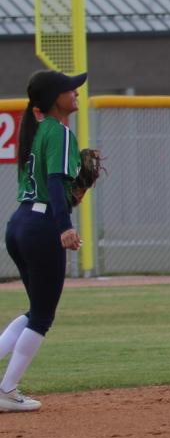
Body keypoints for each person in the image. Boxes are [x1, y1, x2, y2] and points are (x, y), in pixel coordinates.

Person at [2, 69, 89, 412]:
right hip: (41, 227)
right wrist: (64, 225)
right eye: (71, 89)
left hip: (20, 223)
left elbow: (49, 186)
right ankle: (6, 390)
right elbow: (54, 183)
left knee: (35, 311)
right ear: (57, 99)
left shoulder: (36, 133)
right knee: (42, 317)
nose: (76, 93)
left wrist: (72, 196)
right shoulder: (60, 132)